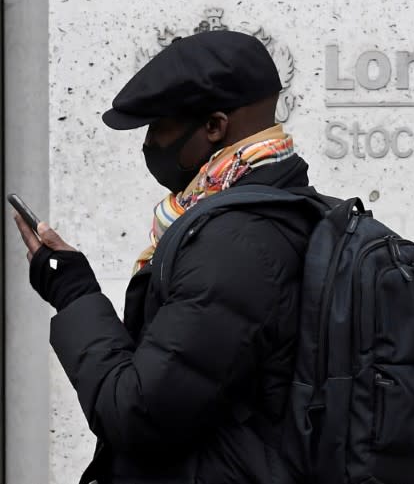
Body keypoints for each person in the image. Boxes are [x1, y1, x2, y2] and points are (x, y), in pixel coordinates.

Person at [13, 30, 319, 484]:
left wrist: (74, 294)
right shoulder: (271, 212)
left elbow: (137, 414)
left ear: (214, 127)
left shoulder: (239, 245)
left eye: (159, 127)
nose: (150, 144)